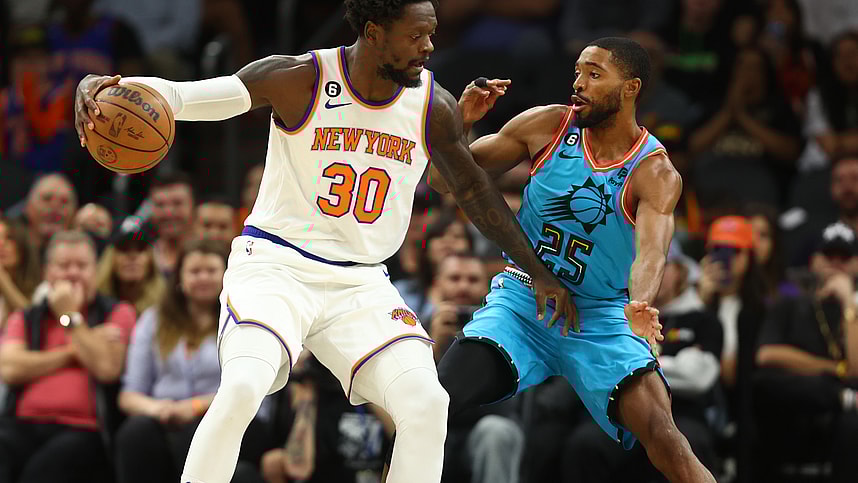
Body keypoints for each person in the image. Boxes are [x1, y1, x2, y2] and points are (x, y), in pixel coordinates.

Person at [73, 1, 574, 482]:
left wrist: (537, 270)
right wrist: (103, 88)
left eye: (431, 34)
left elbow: (471, 189)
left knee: (427, 403)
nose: (428, 46)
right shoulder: (300, 78)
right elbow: (185, 97)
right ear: (374, 33)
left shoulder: (433, 104)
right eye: (416, 35)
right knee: (243, 388)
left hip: (361, 282)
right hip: (276, 266)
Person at [427, 37, 712, 482]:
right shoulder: (547, 125)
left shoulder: (654, 171)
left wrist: (641, 302)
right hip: (523, 301)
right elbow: (441, 181)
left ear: (631, 88)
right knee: (428, 406)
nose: (579, 83)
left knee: (666, 438)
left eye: (595, 75)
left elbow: (652, 252)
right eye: (578, 71)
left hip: (601, 315)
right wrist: (461, 124)